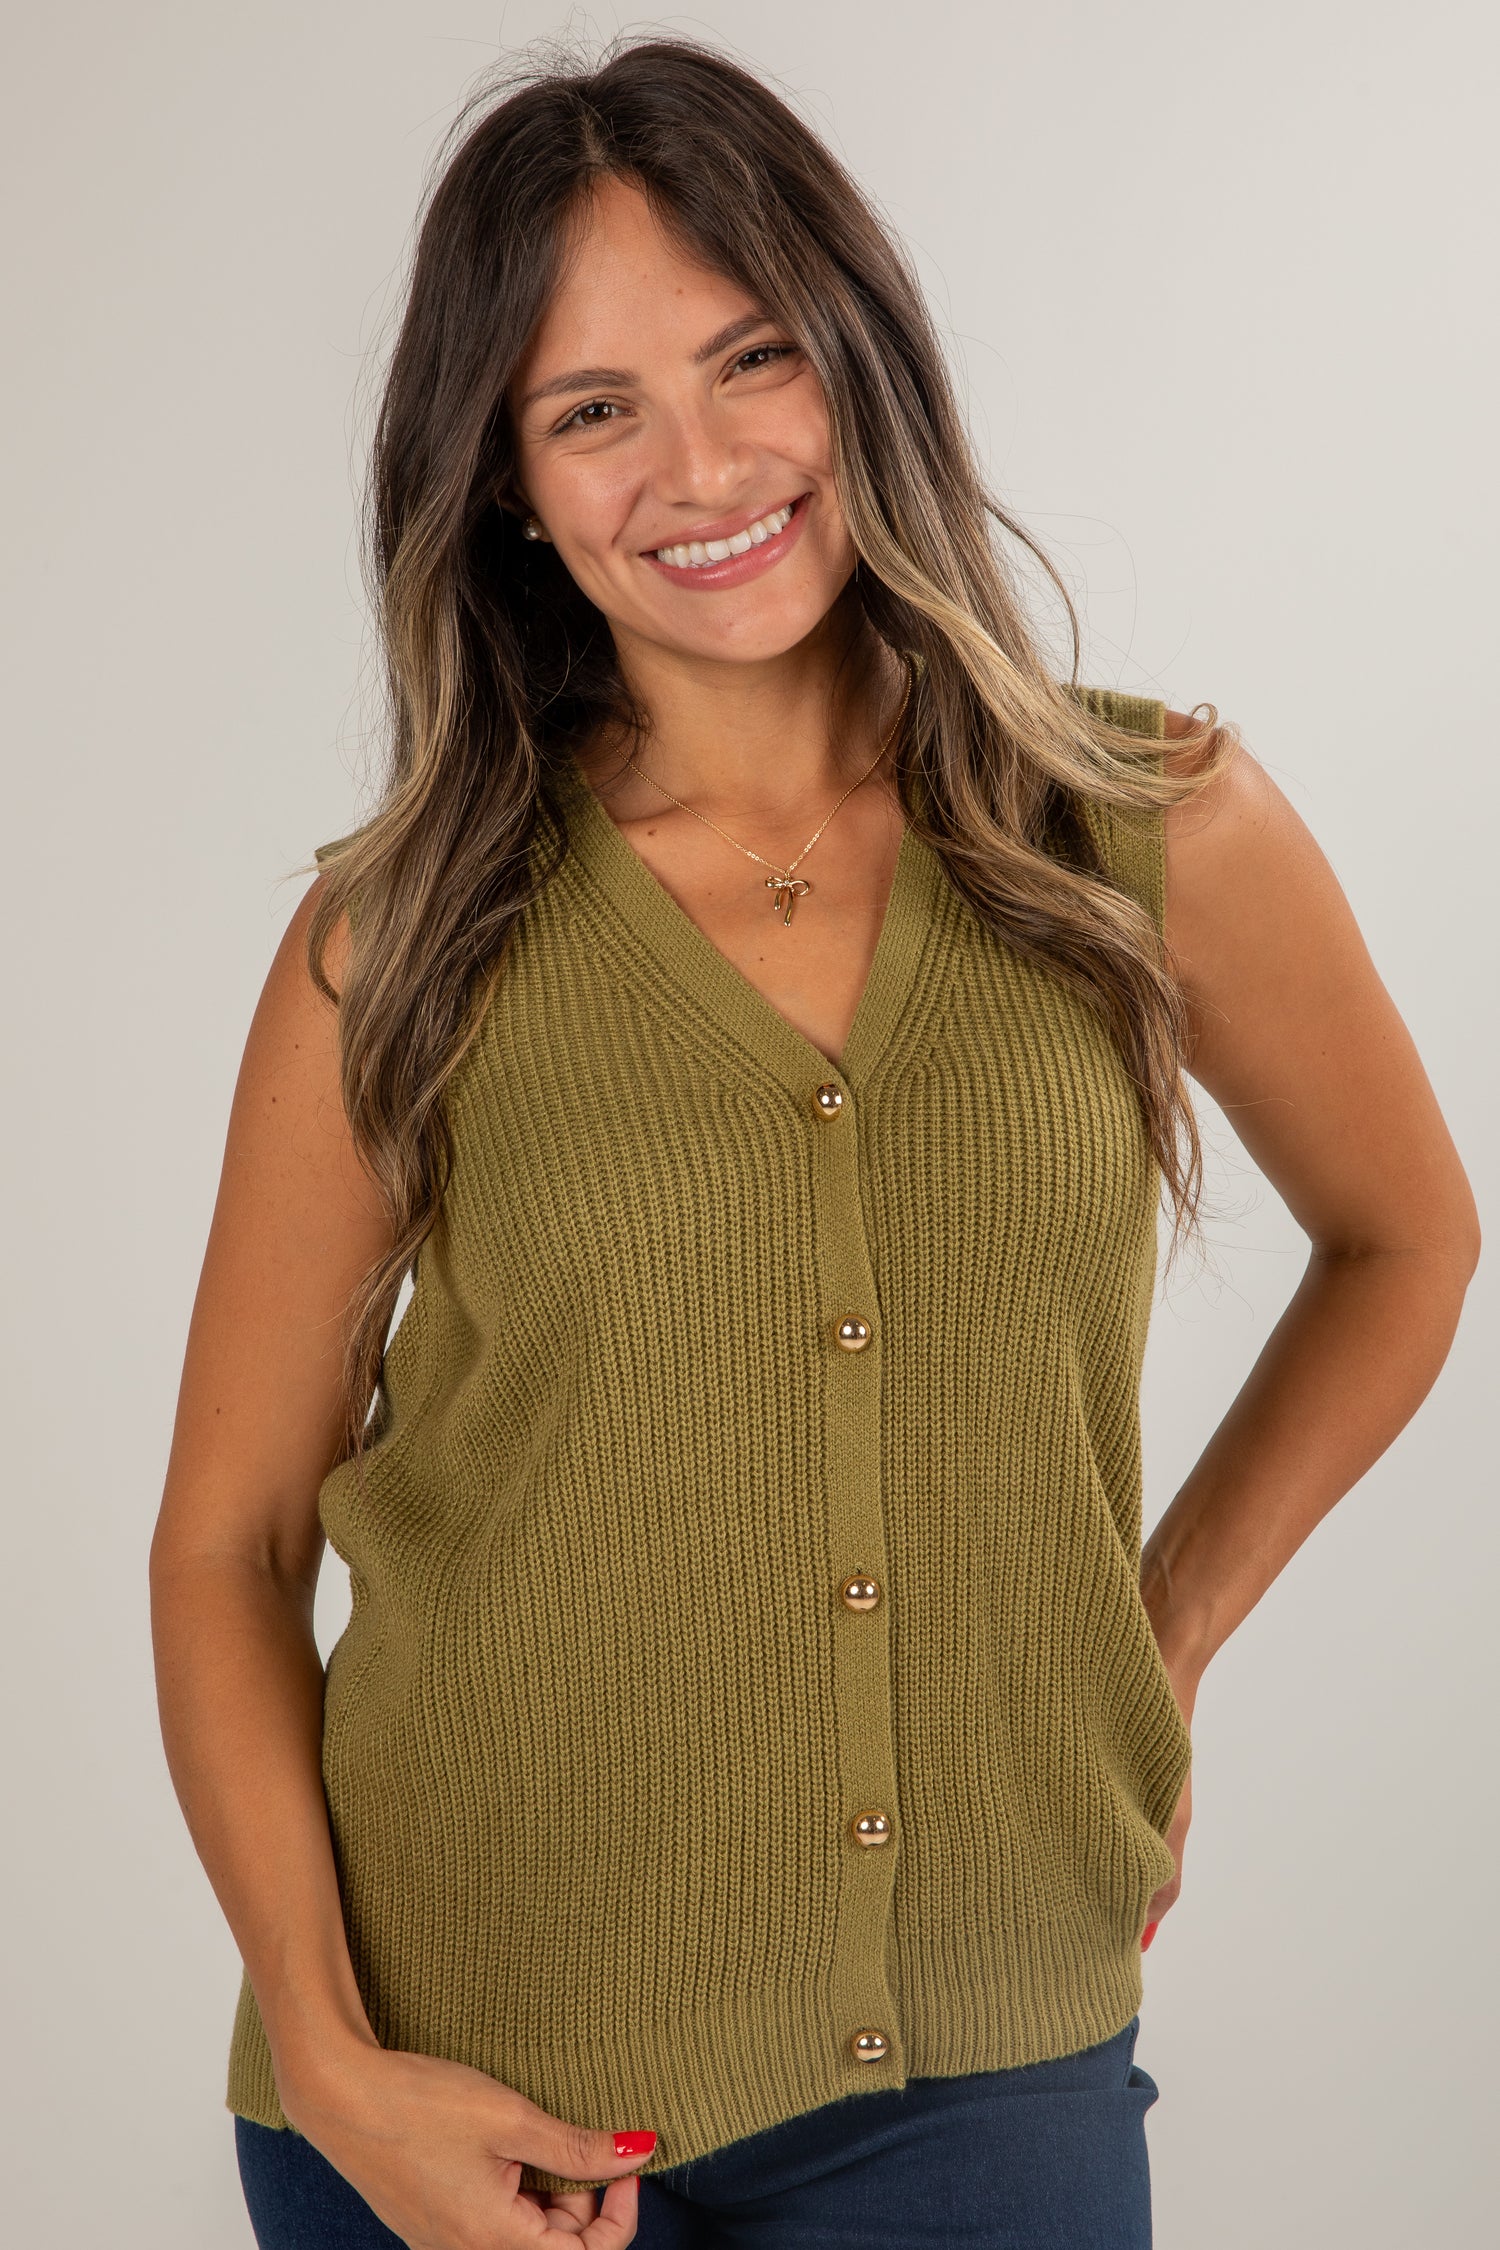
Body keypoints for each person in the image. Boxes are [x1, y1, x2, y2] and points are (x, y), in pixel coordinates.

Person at [148, 35, 1478, 2250]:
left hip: (988, 2044)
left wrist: (1159, 1637)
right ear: (501, 477)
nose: (700, 463)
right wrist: (329, 2059)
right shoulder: (405, 933)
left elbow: (1407, 1240)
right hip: (464, 2081)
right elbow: (228, 1543)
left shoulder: (1152, 828)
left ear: (860, 358)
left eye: (753, 357)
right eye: (595, 409)